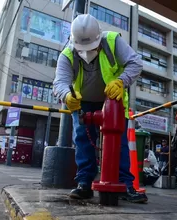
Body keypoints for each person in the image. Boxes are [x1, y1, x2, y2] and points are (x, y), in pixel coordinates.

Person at [53, 14, 147, 203]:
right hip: (83, 103)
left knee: (119, 143)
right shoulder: (67, 54)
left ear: (99, 37)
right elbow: (60, 82)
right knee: (82, 140)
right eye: (82, 48)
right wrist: (67, 96)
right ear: (74, 42)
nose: (87, 52)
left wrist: (121, 81)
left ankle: (125, 184)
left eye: (92, 47)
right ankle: (84, 183)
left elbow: (135, 63)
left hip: (113, 100)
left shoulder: (112, 41)